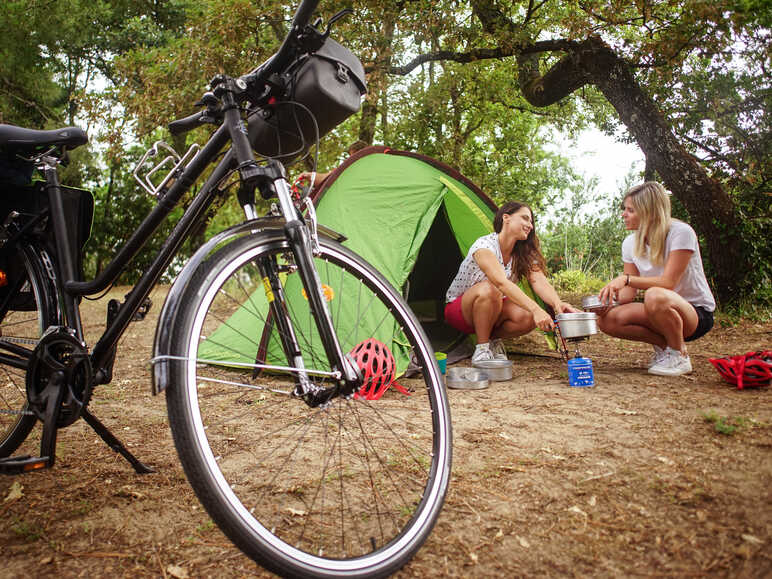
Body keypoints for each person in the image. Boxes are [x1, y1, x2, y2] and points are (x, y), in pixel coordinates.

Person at [596, 182, 715, 376]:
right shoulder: (629, 244)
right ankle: (665, 348)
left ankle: (679, 356)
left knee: (655, 295)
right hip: (658, 310)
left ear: (649, 212)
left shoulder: (681, 233)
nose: (623, 214)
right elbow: (628, 294)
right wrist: (606, 302)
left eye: (630, 210)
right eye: (624, 209)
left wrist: (626, 279)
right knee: (607, 320)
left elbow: (669, 283)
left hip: (695, 313)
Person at [445, 201, 578, 363]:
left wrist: (558, 304)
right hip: (461, 310)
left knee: (528, 316)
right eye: (525, 218)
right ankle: (481, 350)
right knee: (491, 288)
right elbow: (501, 283)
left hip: (493, 308)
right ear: (506, 218)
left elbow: (539, 281)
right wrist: (537, 309)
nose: (530, 225)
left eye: (531, 222)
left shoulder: (522, 253)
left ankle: (491, 341)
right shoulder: (484, 246)